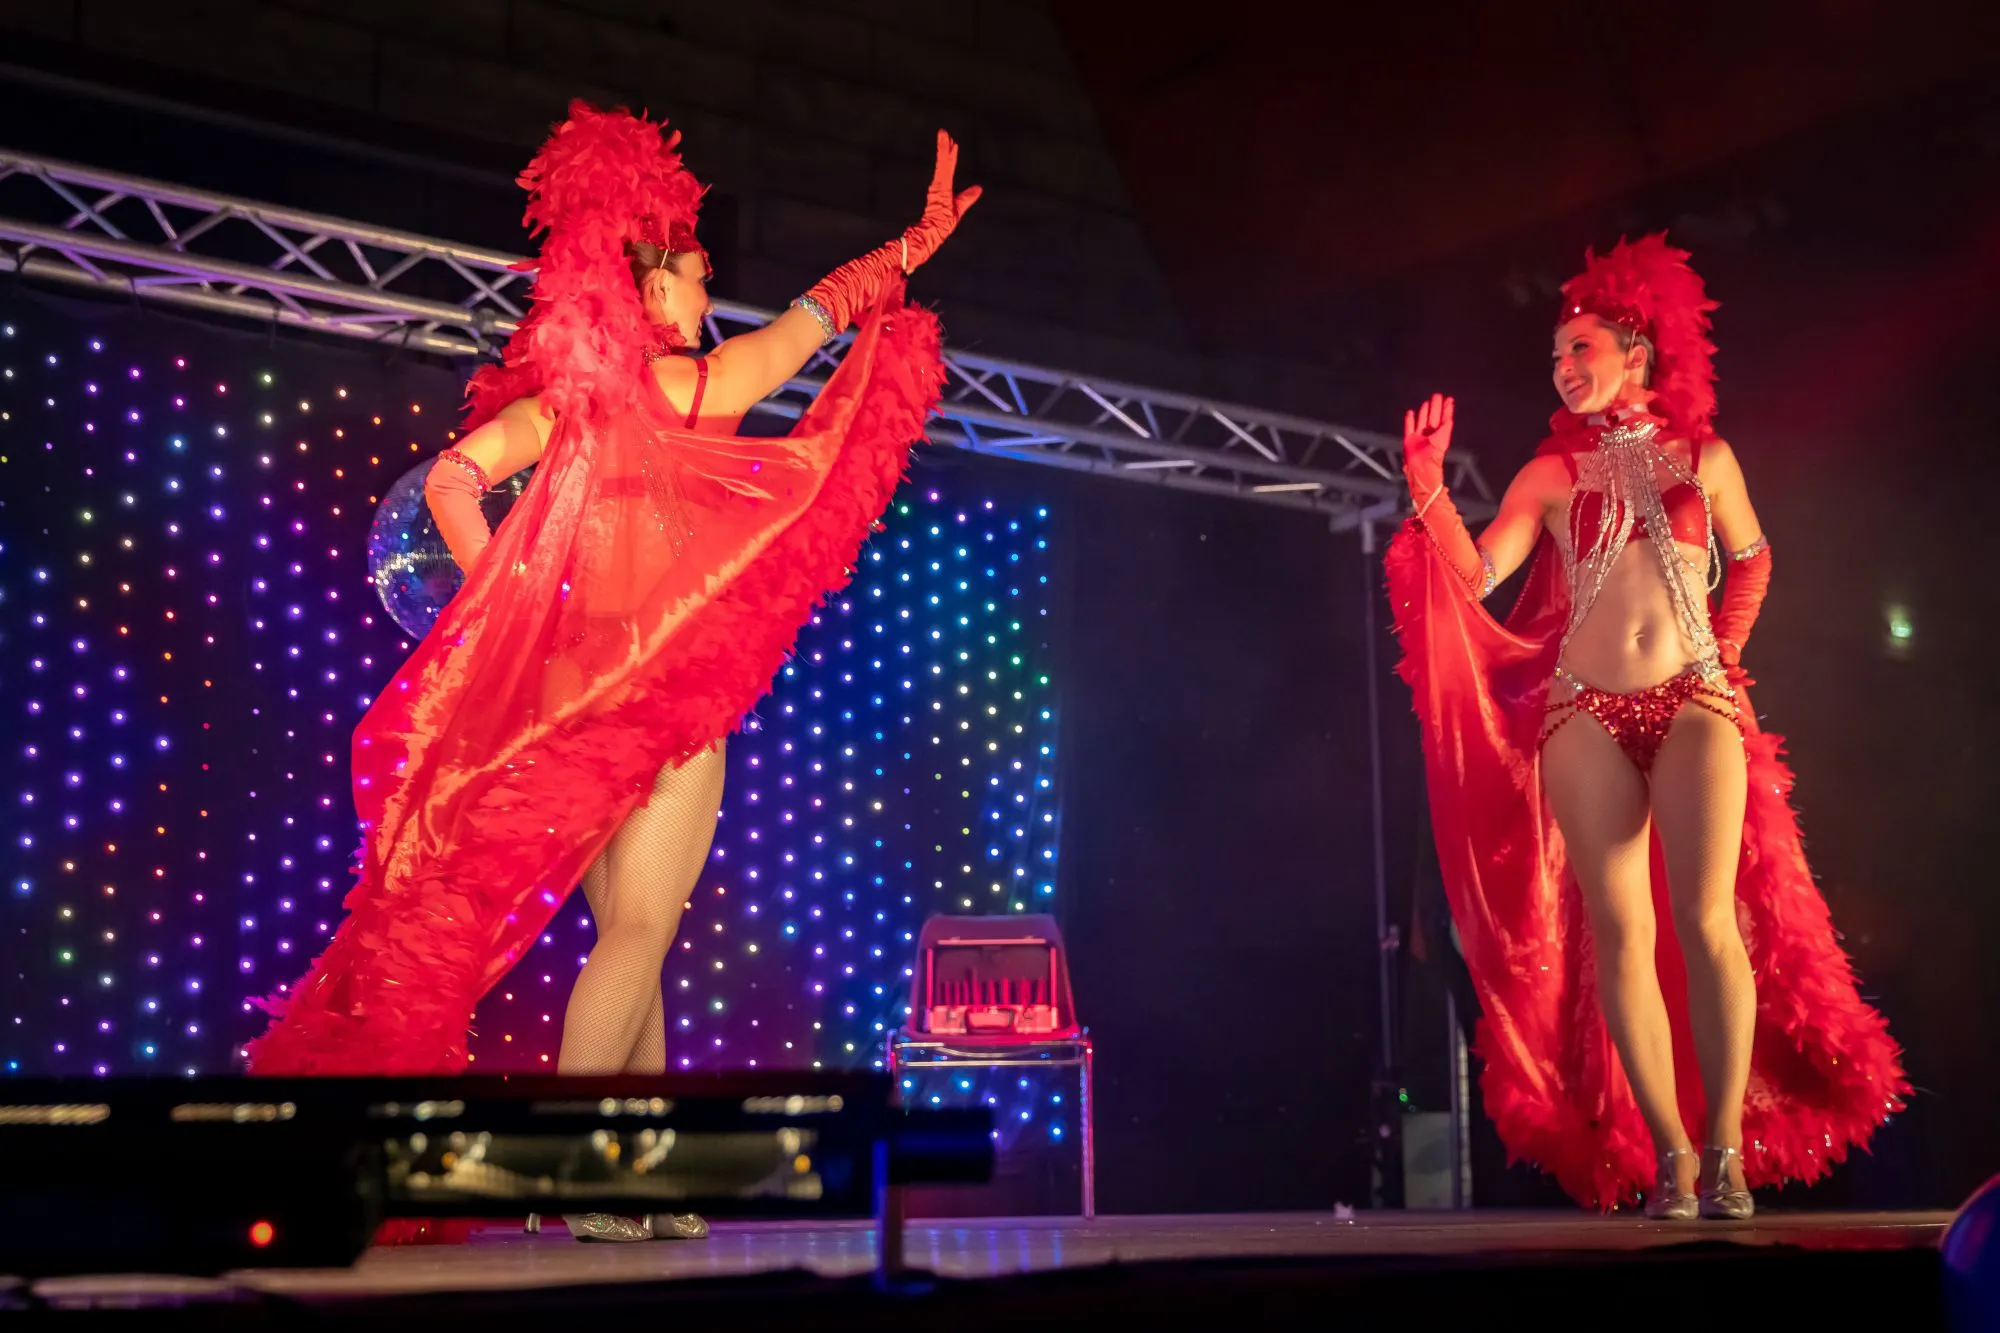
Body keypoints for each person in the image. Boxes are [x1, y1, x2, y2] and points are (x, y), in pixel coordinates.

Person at [246, 102, 977, 1243]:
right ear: (652, 288)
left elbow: (449, 480)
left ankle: (643, 1172)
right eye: (698, 277)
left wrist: (509, 603)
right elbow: (818, 317)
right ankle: (586, 1172)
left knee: (637, 937)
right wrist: (911, 249)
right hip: (667, 697)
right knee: (641, 933)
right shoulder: (696, 387)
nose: (709, 294)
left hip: (570, 703)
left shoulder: (566, 410)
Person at [1386, 234, 1907, 1218]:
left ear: (1638, 352)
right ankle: (1669, 1154)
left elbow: (1752, 558)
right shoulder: (1548, 472)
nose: (1562, 367)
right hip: (1583, 709)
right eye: (1554, 355)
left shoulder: (1705, 458)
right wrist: (1426, 487)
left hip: (1693, 698)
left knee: (1708, 921)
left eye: (1579, 348)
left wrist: (1722, 651)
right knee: (1621, 931)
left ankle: (1723, 1155)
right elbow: (1474, 575)